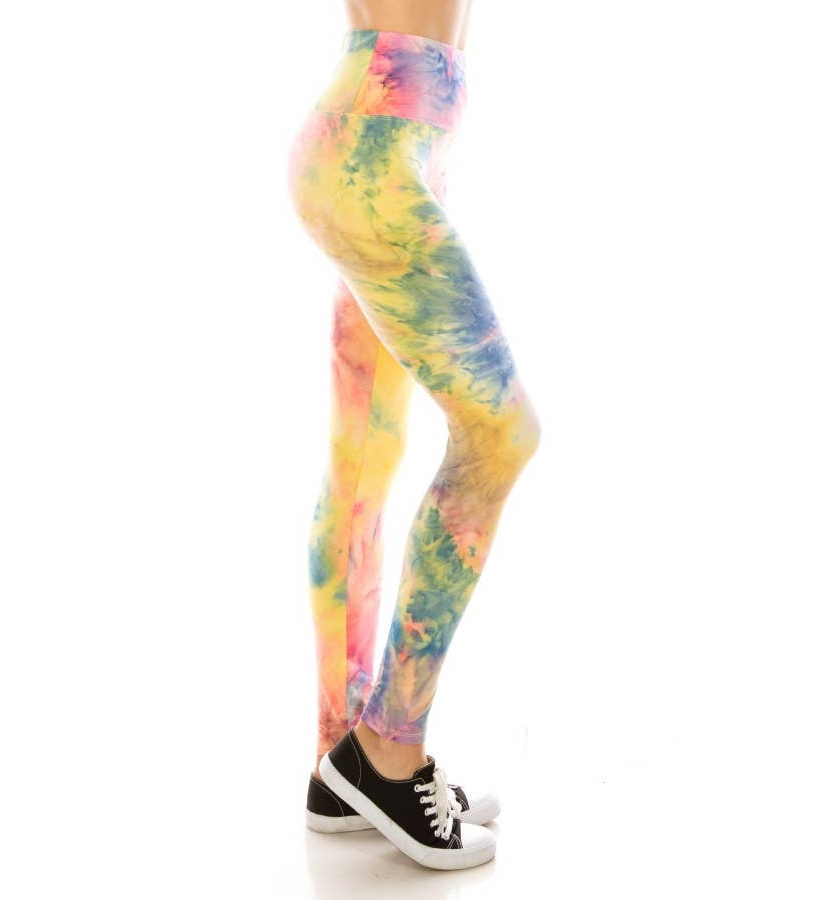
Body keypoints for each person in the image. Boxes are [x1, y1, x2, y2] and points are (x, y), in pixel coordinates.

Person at [286, 0, 540, 870]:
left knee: (363, 456)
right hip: (375, 154)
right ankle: (389, 751)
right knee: (501, 434)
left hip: (388, 141)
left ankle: (340, 762)